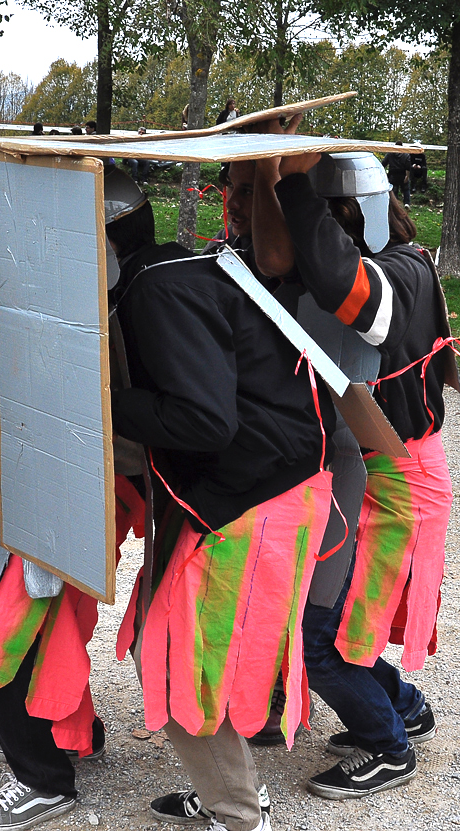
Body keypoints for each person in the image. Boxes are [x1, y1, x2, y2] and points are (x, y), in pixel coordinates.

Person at [106, 166, 335, 831]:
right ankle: (227, 796)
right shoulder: (172, 270)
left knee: (174, 664)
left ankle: (238, 815)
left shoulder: (157, 288)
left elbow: (203, 421)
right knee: (171, 651)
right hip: (256, 488)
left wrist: (99, 399)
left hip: (255, 499)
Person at [0, 149, 125, 831]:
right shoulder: (14, 291)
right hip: (17, 504)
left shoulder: (40, 294)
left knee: (1, 638)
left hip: (43, 503)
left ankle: (44, 780)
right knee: (44, 635)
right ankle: (76, 736)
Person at [263, 148, 452, 799]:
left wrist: (292, 184)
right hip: (369, 474)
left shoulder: (400, 270)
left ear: (358, 214)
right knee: (338, 626)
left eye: (328, 217)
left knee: (323, 638)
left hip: (401, 484)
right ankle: (405, 706)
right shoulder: (402, 260)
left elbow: (354, 295)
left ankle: (389, 748)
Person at [381, 142, 412, 208]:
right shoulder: (406, 155)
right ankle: (406, 203)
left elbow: (383, 164)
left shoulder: (390, 154)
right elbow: (408, 167)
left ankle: (395, 204)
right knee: (406, 189)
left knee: (394, 190)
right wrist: (407, 176)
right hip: (403, 174)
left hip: (393, 174)